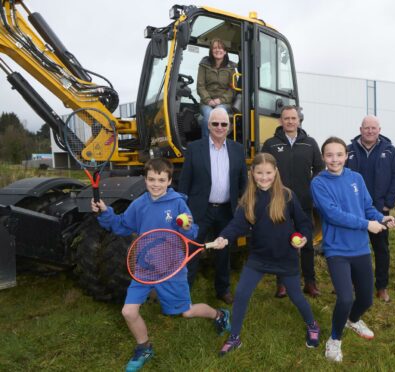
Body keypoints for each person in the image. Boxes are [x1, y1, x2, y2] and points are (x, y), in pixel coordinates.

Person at [91, 158, 231, 372]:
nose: (156, 184)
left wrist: (186, 227)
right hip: (144, 268)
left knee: (186, 312)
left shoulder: (177, 204)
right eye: (151, 179)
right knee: (128, 312)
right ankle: (144, 347)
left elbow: (192, 233)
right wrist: (104, 212)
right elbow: (120, 225)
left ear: (169, 181)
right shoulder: (139, 204)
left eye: (161, 180)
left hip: (171, 268)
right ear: (145, 179)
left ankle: (219, 315)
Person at [209, 152, 320, 356]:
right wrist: (224, 237)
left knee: (296, 296)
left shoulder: (287, 195)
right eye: (259, 173)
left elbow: (304, 222)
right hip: (258, 258)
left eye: (268, 172)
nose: (264, 177)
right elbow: (236, 225)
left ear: (275, 172)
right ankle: (234, 337)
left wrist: (304, 236)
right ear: (252, 173)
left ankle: (312, 325)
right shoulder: (248, 199)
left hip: (285, 257)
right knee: (241, 294)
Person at [310, 137, 395, 363]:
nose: (335, 159)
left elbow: (367, 207)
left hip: (360, 247)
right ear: (323, 158)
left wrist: (381, 217)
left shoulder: (356, 178)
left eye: (339, 154)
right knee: (346, 298)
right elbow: (333, 214)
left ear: (346, 155)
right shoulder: (319, 183)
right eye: (329, 155)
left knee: (366, 299)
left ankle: (353, 320)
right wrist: (367, 224)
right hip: (337, 249)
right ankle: (335, 339)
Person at [178, 107, 247, 305]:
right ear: (208, 125)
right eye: (215, 123)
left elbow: (243, 182)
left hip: (227, 210)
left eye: (223, 124)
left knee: (223, 252)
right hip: (200, 210)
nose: (219, 127)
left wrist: (244, 207)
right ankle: (185, 293)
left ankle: (222, 290)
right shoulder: (194, 148)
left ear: (229, 127)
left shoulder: (237, 149)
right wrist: (183, 207)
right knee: (191, 250)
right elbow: (185, 181)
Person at [261, 105, 324, 298]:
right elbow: (262, 171)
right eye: (286, 118)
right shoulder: (270, 144)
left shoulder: (310, 143)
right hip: (279, 203)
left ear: (299, 120)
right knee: (282, 244)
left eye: (293, 118)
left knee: (306, 244)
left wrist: (311, 191)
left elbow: (319, 170)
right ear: (281, 121)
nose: (290, 121)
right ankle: (283, 283)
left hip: (304, 203)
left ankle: (310, 283)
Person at [346, 115, 395, 302]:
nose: (370, 131)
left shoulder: (390, 151)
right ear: (360, 129)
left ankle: (381, 286)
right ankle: (353, 284)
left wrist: (389, 203)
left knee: (381, 249)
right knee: (353, 248)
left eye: (373, 128)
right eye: (366, 127)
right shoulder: (349, 151)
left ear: (379, 129)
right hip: (354, 211)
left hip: (379, 210)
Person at [197, 38, 237, 138]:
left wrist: (220, 100)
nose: (217, 50)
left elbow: (233, 89)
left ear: (225, 51)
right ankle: (206, 145)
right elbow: (200, 86)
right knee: (209, 115)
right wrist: (208, 100)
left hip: (224, 103)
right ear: (211, 51)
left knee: (217, 115)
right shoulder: (204, 65)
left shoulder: (231, 68)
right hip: (206, 102)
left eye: (220, 48)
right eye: (214, 48)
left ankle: (218, 143)